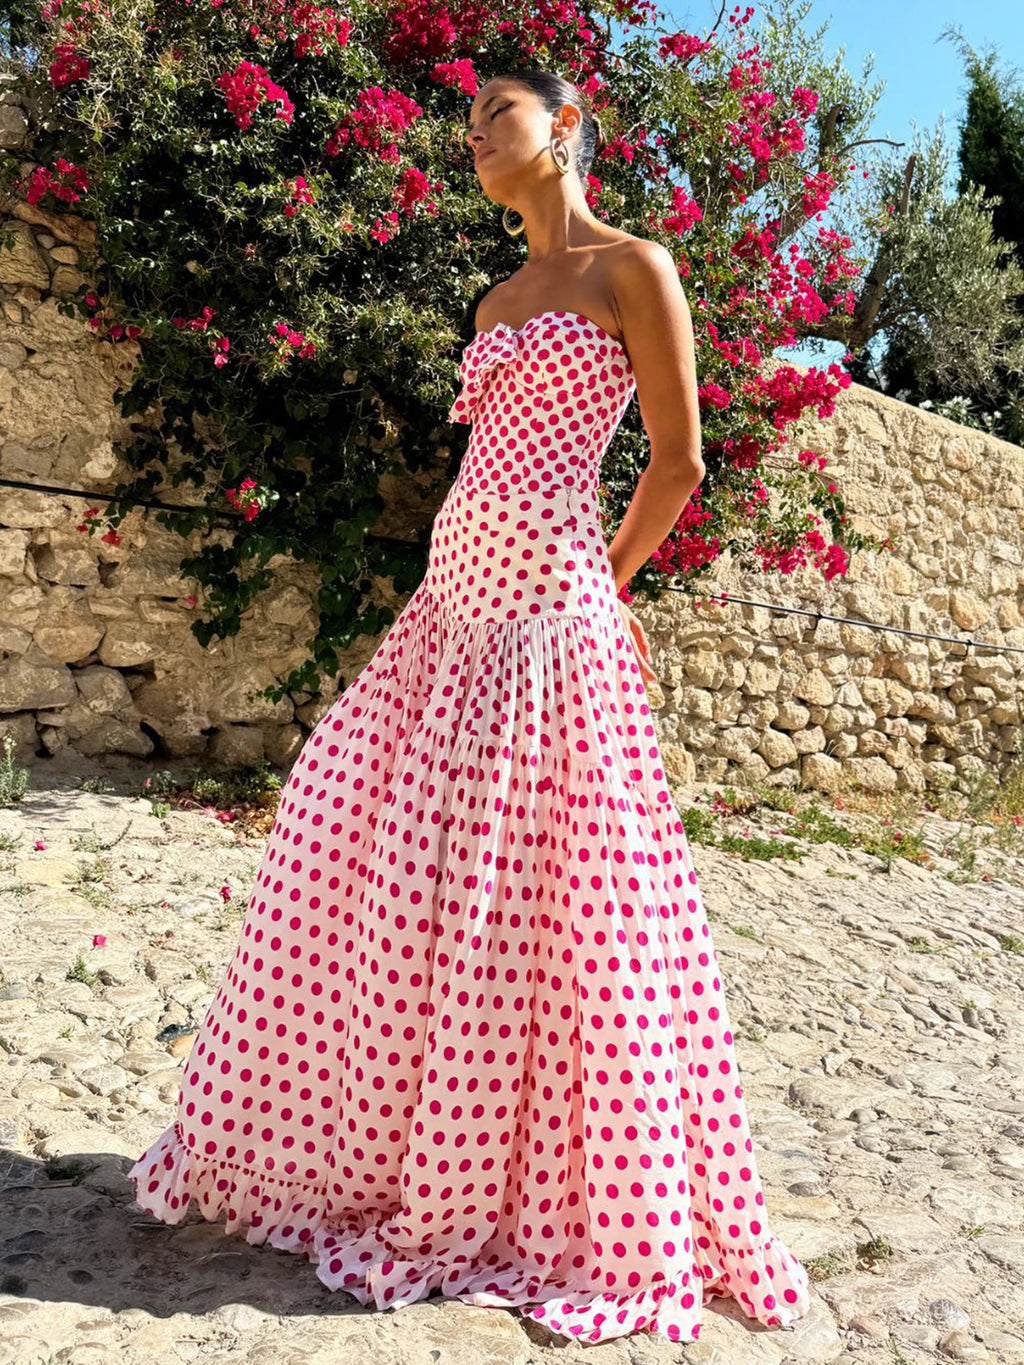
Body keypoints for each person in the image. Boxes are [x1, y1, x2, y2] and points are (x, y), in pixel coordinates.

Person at [128, 68, 812, 1348]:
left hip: (552, 616)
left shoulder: (631, 269)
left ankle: (552, 1196)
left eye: (496, 114)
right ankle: (402, 1155)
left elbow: (678, 463)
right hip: (448, 610)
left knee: (547, 896)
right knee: (394, 863)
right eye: (470, 124)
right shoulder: (497, 298)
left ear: (563, 127)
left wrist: (598, 594)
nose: (475, 139)